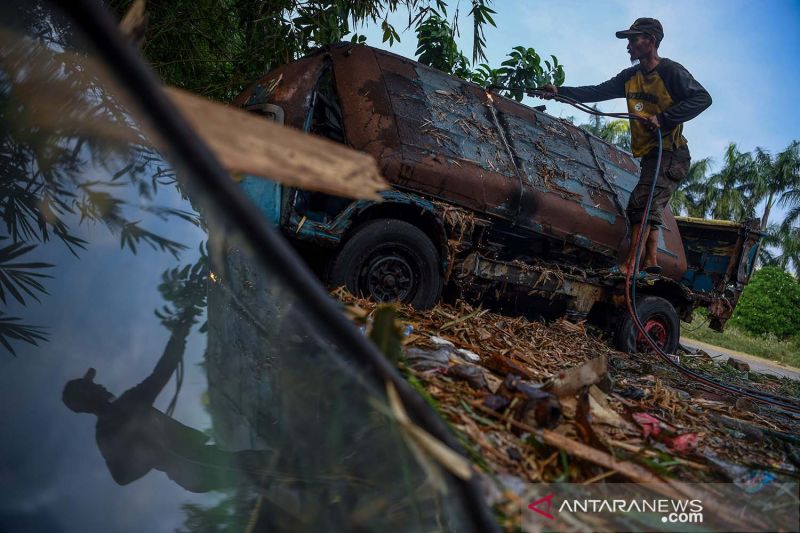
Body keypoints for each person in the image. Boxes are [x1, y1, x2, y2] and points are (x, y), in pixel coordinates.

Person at [539, 17, 711, 276]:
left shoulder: (670, 72)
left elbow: (702, 98)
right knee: (648, 204)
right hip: (652, 155)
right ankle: (651, 260)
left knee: (641, 204)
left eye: (633, 39)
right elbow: (596, 91)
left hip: (672, 153)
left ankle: (630, 266)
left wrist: (664, 118)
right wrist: (559, 91)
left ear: (651, 41)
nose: (628, 46)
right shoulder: (631, 77)